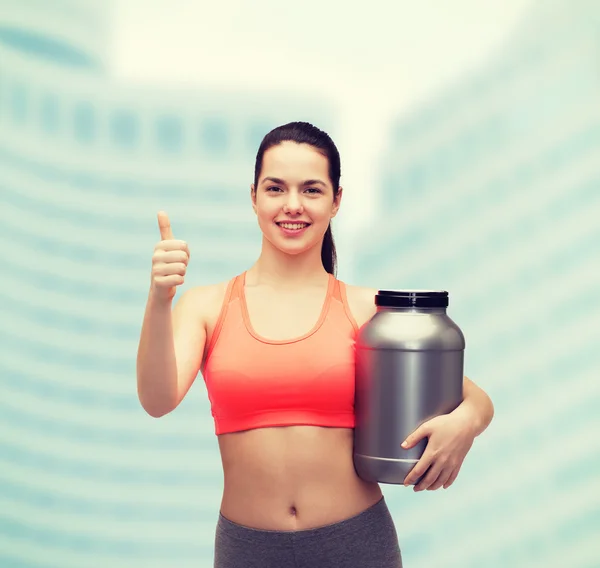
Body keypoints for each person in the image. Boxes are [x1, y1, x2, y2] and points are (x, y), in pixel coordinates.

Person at [136, 121, 494, 568]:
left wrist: (467, 423)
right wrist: (160, 297)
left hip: (356, 543)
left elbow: (471, 396)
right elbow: (157, 398)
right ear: (253, 196)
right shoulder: (206, 306)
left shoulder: (367, 311)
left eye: (311, 190)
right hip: (248, 551)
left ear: (335, 200)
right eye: (275, 188)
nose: (292, 205)